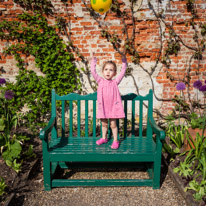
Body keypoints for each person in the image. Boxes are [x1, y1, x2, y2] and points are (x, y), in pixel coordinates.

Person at [90, 54, 127, 149]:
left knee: (113, 125)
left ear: (114, 73)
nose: (108, 72)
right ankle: (104, 138)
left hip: (113, 108)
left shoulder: (115, 82)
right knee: (104, 124)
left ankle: (115, 140)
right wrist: (93, 61)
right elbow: (93, 72)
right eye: (106, 69)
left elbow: (123, 72)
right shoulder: (100, 81)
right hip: (103, 108)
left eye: (111, 70)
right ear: (102, 71)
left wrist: (124, 62)